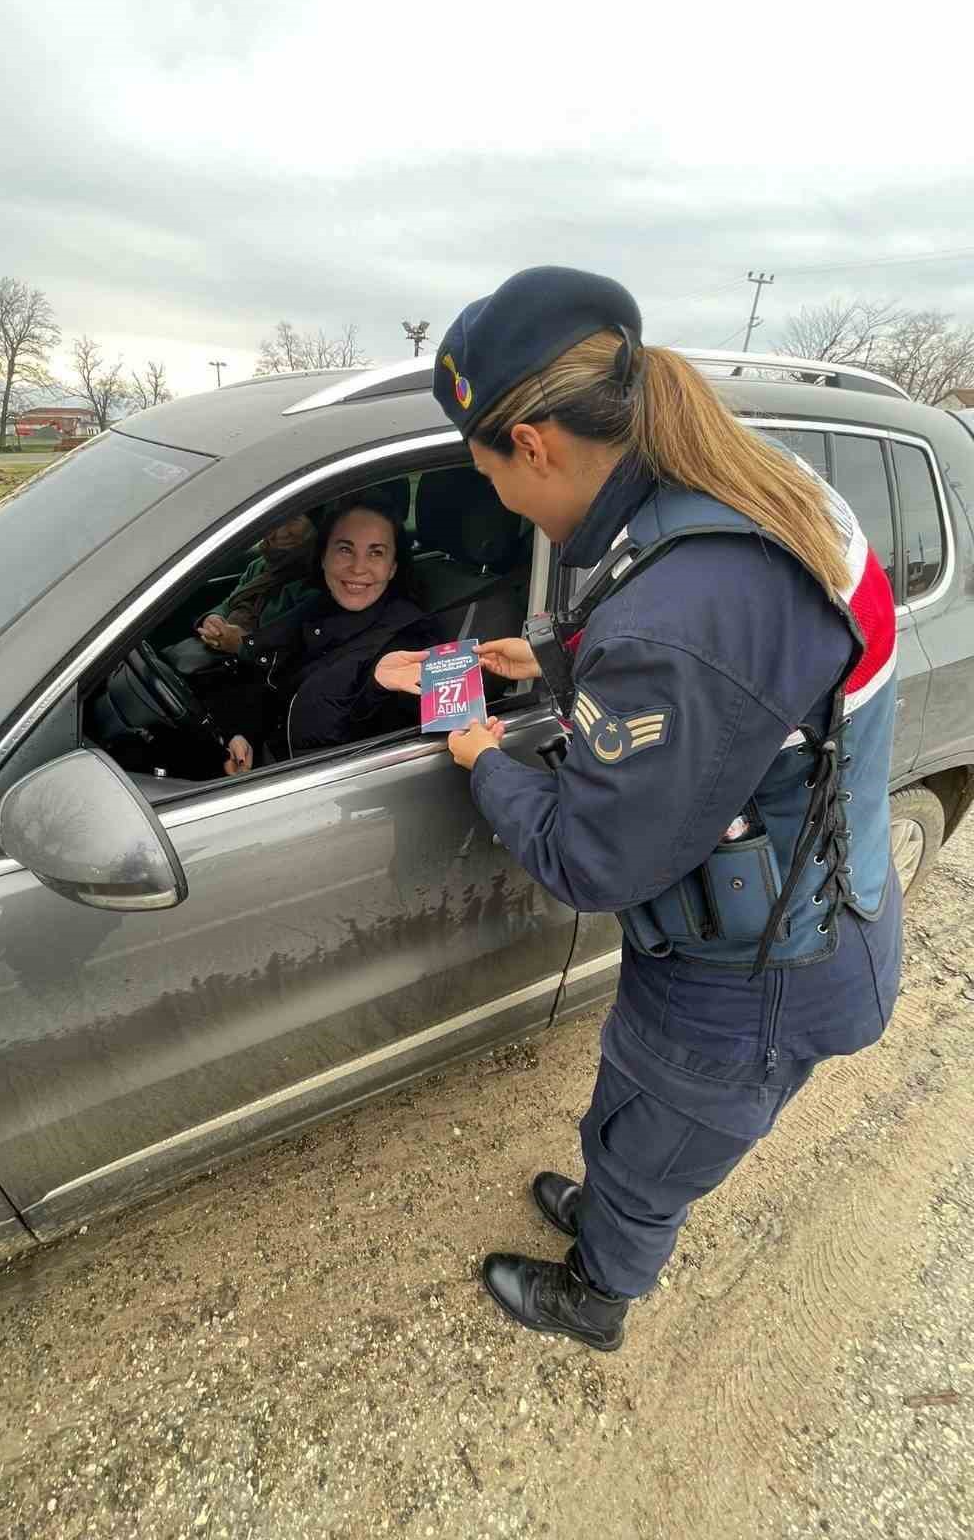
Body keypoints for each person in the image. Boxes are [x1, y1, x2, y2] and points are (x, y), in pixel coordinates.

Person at [413, 265, 902, 1353]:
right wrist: (555, 657)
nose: (501, 499)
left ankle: (599, 1293)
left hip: (753, 976)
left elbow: (592, 861)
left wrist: (483, 750)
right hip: (800, 911)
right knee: (637, 1116)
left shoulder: (686, 614)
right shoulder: (746, 487)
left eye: (491, 474)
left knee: (654, 1145)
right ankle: (609, 1214)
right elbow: (734, 668)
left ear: (534, 444)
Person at [222, 498, 444, 774]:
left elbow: (404, 749)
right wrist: (242, 734)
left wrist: (373, 690)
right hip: (268, 770)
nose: (358, 567)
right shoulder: (314, 608)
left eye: (376, 553)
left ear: (393, 568)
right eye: (345, 550)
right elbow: (264, 672)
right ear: (324, 557)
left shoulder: (414, 638)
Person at [197, 513, 318, 655]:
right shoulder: (259, 565)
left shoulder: (316, 581)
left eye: (294, 519)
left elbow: (292, 649)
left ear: (315, 522)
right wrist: (213, 619)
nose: (282, 532)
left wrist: (243, 645)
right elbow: (231, 602)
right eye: (273, 523)